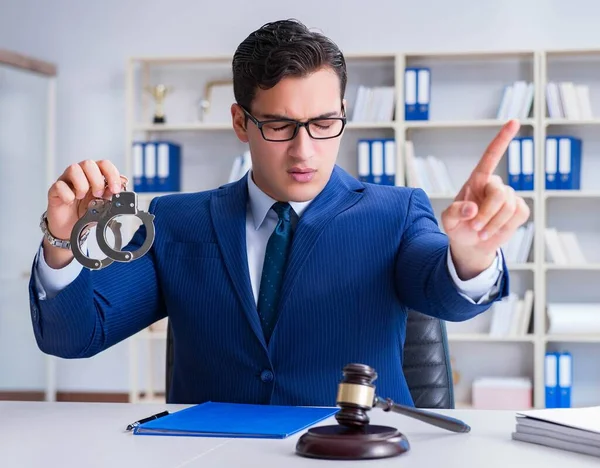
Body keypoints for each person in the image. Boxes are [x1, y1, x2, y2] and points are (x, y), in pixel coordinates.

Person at [29, 19, 529, 407]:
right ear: (239, 122)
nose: (304, 151)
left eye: (324, 123)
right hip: (214, 455)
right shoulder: (177, 222)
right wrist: (60, 241)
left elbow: (445, 292)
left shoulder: (395, 213)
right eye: (279, 125)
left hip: (348, 453)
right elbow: (74, 337)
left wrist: (470, 256)